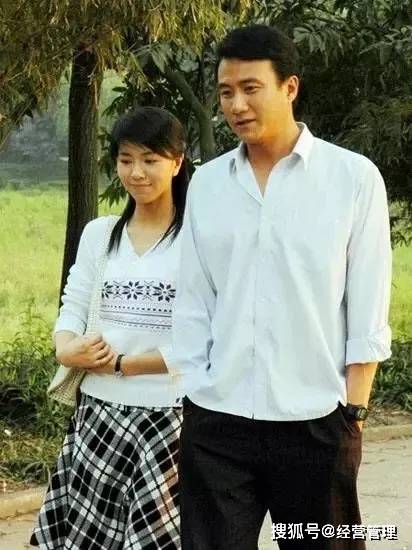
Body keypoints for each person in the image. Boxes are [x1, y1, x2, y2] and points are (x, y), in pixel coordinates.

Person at [171, 25, 392, 549]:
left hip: (316, 421)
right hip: (218, 422)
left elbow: (367, 308)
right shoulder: (208, 183)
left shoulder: (353, 179)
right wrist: (194, 392)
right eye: (226, 92)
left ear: (289, 87)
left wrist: (353, 414)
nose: (236, 105)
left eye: (251, 88)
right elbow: (195, 298)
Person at [31, 106, 188, 550]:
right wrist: (66, 348)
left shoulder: (198, 238)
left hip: (170, 417)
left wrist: (125, 365)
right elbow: (74, 303)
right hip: (98, 414)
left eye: (150, 160)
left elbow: (206, 338)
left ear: (177, 162)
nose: (136, 172)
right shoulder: (100, 233)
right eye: (125, 159)